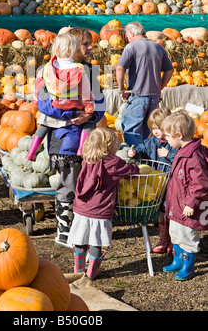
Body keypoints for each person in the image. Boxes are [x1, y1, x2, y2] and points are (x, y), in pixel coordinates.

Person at [36, 27, 105, 248]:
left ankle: (82, 227)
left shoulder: (90, 72)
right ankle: (63, 232)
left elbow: (101, 105)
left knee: (86, 181)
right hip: (62, 136)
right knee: (68, 182)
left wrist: (89, 114)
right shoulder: (47, 71)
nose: (90, 47)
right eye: (85, 44)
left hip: (87, 137)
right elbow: (43, 103)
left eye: (90, 43)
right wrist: (73, 113)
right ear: (71, 47)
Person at [68, 127, 140, 280]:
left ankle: (78, 269)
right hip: (99, 210)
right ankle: (92, 272)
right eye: (116, 143)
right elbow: (130, 172)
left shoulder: (88, 158)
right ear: (108, 146)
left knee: (80, 239)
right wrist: (135, 166)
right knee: (96, 241)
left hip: (81, 207)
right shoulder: (113, 162)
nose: (118, 145)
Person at [27, 33, 95, 161]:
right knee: (88, 124)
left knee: (44, 124)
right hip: (72, 109)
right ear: (74, 50)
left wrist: (36, 102)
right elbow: (85, 91)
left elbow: (38, 87)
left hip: (53, 106)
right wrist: (89, 108)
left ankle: (31, 152)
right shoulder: (79, 69)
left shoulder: (47, 68)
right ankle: (81, 149)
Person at [161, 111, 208, 280]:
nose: (166, 140)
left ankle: (188, 265)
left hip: (188, 207)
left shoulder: (194, 156)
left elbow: (200, 183)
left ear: (179, 135)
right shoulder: (182, 151)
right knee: (176, 233)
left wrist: (191, 203)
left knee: (188, 236)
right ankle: (178, 260)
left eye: (168, 136)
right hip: (177, 205)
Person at [116, 22, 174, 147]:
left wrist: (121, 90)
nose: (127, 38)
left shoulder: (131, 47)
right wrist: (160, 86)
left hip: (137, 97)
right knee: (151, 132)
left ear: (131, 33)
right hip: (154, 98)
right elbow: (170, 69)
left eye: (127, 35)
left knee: (133, 133)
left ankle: (138, 163)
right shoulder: (158, 47)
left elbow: (120, 68)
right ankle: (149, 163)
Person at [128, 106, 177, 254]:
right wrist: (134, 152)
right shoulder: (151, 142)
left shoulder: (173, 143)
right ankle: (163, 239)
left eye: (159, 128)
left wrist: (169, 154)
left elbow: (181, 158)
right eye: (153, 128)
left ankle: (173, 240)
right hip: (156, 185)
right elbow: (141, 148)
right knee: (160, 212)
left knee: (171, 212)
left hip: (171, 183)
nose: (156, 131)